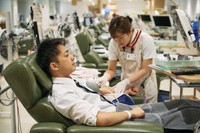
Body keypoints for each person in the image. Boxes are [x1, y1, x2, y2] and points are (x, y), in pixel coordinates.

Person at [36, 38, 200, 132]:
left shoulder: (70, 80)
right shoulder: (62, 95)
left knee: (183, 103)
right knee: (188, 115)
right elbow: (98, 119)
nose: (72, 57)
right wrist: (131, 115)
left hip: (117, 107)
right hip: (119, 118)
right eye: (66, 55)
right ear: (54, 66)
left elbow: (97, 91)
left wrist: (121, 91)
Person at [97, 15, 158, 103]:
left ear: (130, 31)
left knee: (148, 110)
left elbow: (145, 69)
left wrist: (126, 81)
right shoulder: (113, 43)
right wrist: (105, 77)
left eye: (121, 38)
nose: (118, 42)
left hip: (145, 82)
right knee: (128, 108)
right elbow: (111, 69)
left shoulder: (146, 40)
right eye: (115, 39)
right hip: (126, 83)